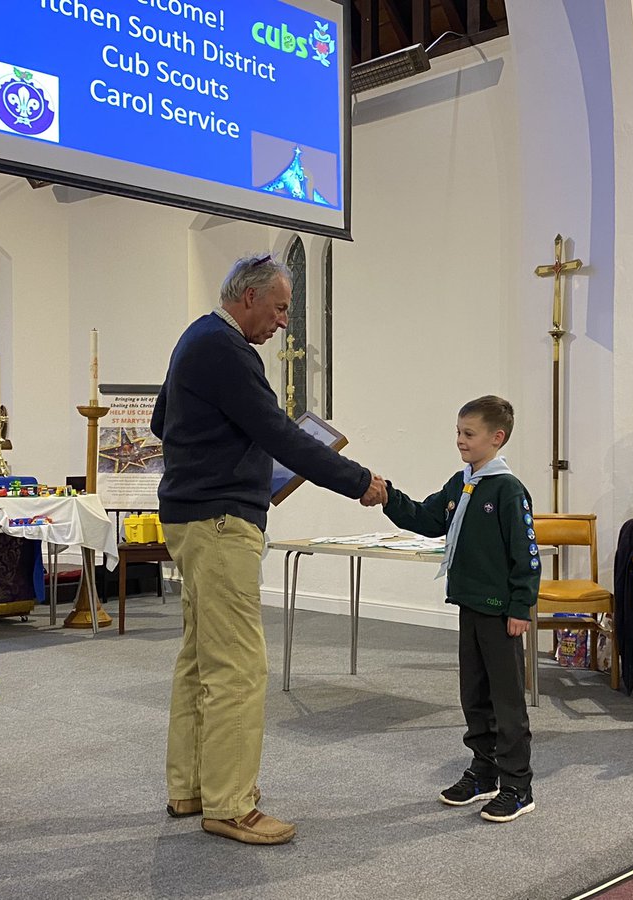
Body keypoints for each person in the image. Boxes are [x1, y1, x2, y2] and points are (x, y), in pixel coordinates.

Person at [152, 253, 387, 847]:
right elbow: (278, 433)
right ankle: (230, 805)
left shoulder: (195, 339)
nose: (284, 321)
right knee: (238, 665)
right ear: (249, 298)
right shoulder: (228, 350)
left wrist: (229, 451)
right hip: (221, 522)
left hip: (192, 517)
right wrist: (358, 479)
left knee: (201, 658)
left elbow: (161, 422)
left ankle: (192, 786)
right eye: (282, 307)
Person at [380, 395, 539, 823]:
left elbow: (527, 555)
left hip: (501, 611)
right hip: (469, 605)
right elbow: (429, 519)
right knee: (474, 695)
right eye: (458, 432)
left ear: (496, 437)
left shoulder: (507, 490)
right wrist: (388, 496)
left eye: (468, 434)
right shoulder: (461, 483)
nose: (460, 441)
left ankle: (518, 785)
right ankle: (483, 772)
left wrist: (521, 606)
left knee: (506, 701)